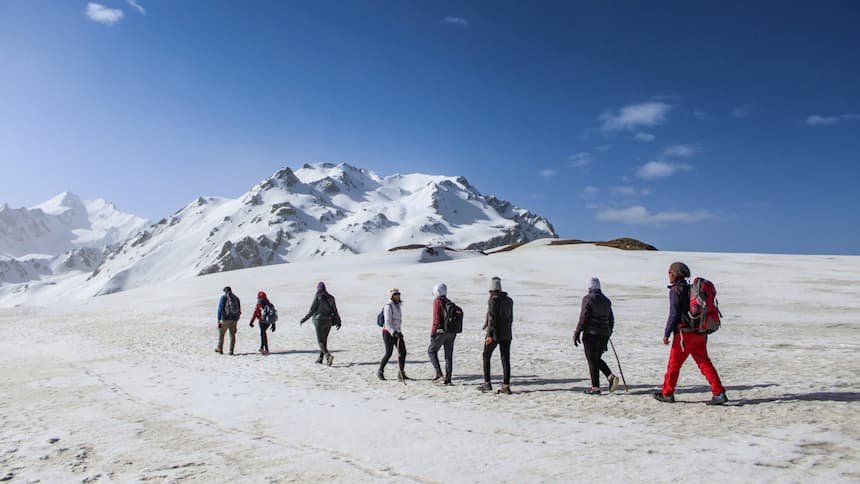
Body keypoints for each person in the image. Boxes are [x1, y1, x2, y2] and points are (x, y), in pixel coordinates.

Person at [653, 262, 728, 405]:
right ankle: (719, 393)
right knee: (704, 363)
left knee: (673, 365)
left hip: (684, 335)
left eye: (669, 272)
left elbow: (674, 314)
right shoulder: (691, 290)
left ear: (674, 274)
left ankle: (667, 393)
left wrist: (667, 333)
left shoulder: (676, 291)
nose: (668, 275)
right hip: (700, 333)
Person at [574, 277, 621, 395]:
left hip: (591, 334)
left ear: (589, 287)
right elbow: (611, 319)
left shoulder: (588, 299)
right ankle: (610, 377)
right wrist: (608, 332)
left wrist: (578, 331)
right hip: (603, 334)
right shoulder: (606, 301)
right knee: (596, 359)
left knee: (592, 360)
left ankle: (595, 388)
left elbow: (584, 317)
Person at [479, 277, 514, 394]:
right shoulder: (509, 300)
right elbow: (510, 318)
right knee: (505, 358)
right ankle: (506, 385)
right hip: (507, 334)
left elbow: (492, 319)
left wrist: (489, 335)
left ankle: (487, 383)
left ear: (492, 290)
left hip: (495, 334)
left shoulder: (493, 300)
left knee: (486, 355)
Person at [299, 282, 341, 366]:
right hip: (328, 321)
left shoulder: (318, 296)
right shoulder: (331, 298)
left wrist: (304, 319)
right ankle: (320, 358)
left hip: (319, 321)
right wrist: (339, 321)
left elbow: (312, 310)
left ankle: (328, 356)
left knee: (320, 341)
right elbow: (335, 311)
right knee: (324, 340)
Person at [428, 283, 456, 385]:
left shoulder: (437, 301)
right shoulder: (449, 301)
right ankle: (448, 378)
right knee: (448, 354)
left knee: (431, 351)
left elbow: (436, 318)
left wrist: (433, 332)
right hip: (452, 332)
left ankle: (439, 374)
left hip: (441, 331)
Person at [378, 288, 408, 381]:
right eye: (395, 294)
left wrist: (399, 332)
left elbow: (397, 322)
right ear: (392, 296)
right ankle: (380, 371)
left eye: (398, 294)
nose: (398, 295)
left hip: (397, 333)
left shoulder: (397, 306)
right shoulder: (388, 306)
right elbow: (387, 323)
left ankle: (401, 373)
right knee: (389, 352)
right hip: (388, 332)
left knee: (403, 352)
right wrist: (394, 332)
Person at [249, 291, 277, 355]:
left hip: (262, 321)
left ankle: (266, 349)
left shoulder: (259, 304)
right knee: (263, 333)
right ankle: (262, 347)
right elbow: (273, 315)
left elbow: (255, 313)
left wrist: (251, 322)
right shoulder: (270, 304)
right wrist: (273, 324)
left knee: (263, 334)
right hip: (268, 322)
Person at [216, 286, 241, 355]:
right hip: (234, 320)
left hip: (225, 319)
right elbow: (239, 310)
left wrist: (218, 319)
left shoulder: (223, 298)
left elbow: (220, 309)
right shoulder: (236, 298)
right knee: (232, 335)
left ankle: (220, 348)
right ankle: (231, 350)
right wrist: (237, 319)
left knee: (221, 334)